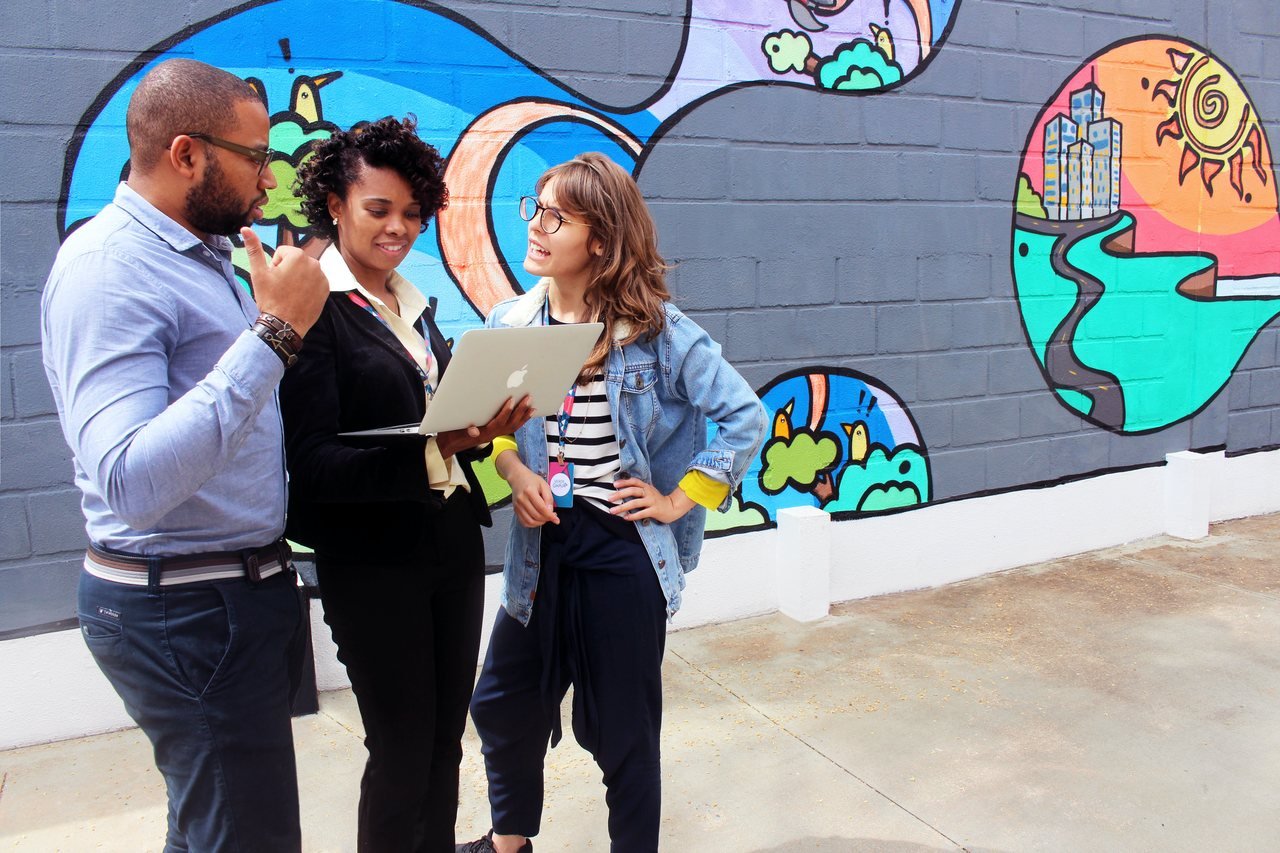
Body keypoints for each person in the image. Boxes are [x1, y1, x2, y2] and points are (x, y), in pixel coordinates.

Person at [41, 59, 330, 851]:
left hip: (228, 597)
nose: (269, 179)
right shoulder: (110, 271)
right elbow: (130, 479)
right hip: (187, 610)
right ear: (187, 154)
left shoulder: (202, 256)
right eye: (255, 157)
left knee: (214, 827)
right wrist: (275, 334)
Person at [459, 153, 767, 853]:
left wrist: (678, 499)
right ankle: (509, 846)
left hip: (621, 553)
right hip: (541, 550)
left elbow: (743, 415)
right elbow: (489, 428)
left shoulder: (656, 332)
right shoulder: (513, 321)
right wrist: (514, 470)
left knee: (625, 733)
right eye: (533, 209)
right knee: (502, 704)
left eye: (554, 216)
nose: (535, 228)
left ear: (598, 239)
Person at [280, 116, 532, 853]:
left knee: (445, 741)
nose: (400, 228)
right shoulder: (313, 310)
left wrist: (485, 425)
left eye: (413, 213)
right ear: (333, 202)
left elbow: (435, 414)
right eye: (379, 209)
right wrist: (441, 445)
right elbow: (315, 469)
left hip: (450, 545)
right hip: (372, 564)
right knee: (400, 749)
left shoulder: (413, 305)